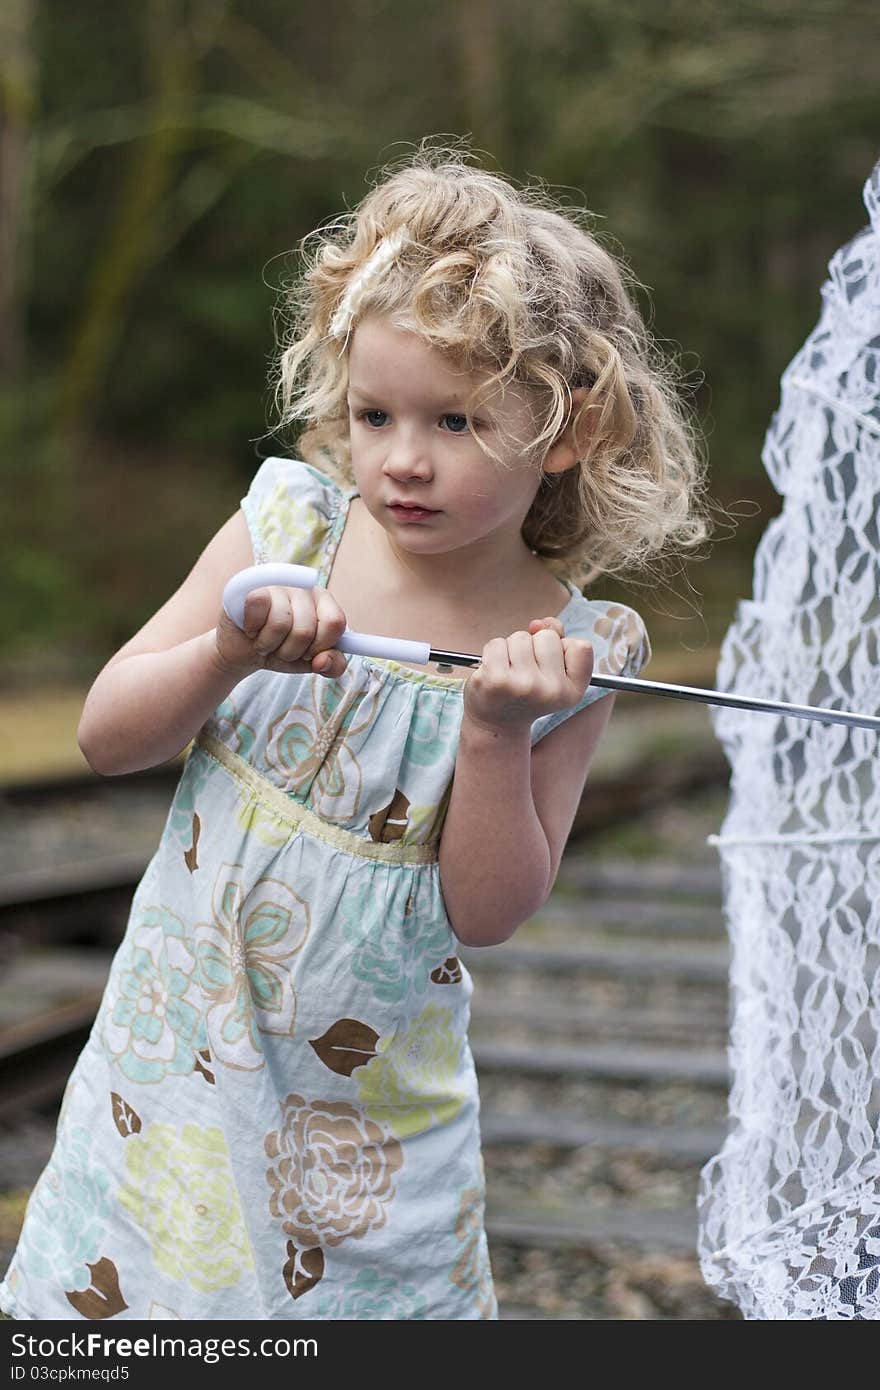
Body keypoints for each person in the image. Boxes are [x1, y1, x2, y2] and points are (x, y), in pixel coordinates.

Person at [0, 143, 708, 1321]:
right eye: (373, 413)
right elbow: (105, 738)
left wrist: (492, 733)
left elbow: (488, 912)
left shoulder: (569, 646)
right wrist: (226, 650)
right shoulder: (288, 524)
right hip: (176, 1062)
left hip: (368, 1114)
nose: (402, 458)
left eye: (457, 422)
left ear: (567, 431)